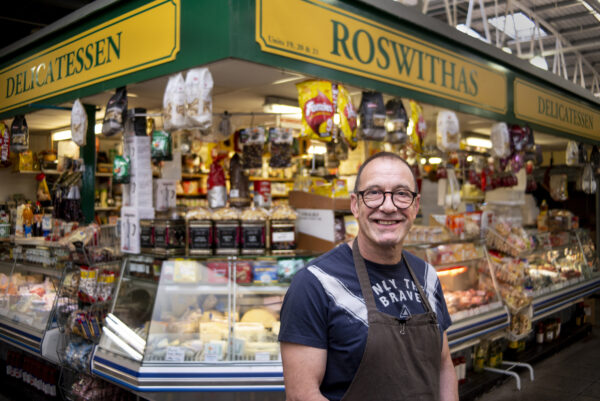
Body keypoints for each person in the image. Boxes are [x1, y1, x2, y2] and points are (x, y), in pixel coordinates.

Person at [278, 152, 458, 401]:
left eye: (402, 194)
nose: (388, 206)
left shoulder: (427, 276)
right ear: (355, 204)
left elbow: (443, 364)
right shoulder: (315, 283)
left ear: (415, 206)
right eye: (373, 193)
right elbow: (302, 395)